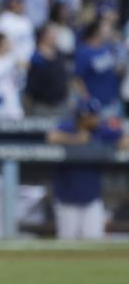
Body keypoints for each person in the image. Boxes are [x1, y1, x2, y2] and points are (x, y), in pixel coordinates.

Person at [46, 98, 128, 240]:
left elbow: (124, 139)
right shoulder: (68, 127)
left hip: (91, 198)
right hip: (67, 197)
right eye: (92, 116)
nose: (96, 118)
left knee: (94, 239)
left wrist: (117, 144)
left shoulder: (100, 130)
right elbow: (52, 137)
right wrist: (76, 140)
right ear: (83, 117)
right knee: (67, 242)